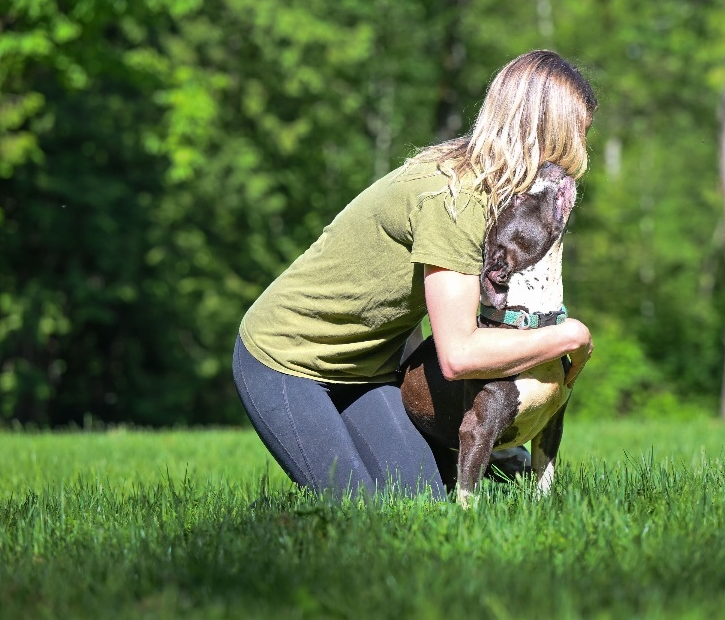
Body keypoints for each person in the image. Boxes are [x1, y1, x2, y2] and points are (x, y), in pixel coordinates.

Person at [232, 49, 596, 500]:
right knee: (358, 511)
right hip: (286, 359)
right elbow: (458, 355)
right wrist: (569, 337)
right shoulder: (455, 199)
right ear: (551, 133)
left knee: (419, 504)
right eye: (580, 132)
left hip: (367, 371)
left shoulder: (493, 192)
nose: (583, 149)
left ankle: (495, 470)